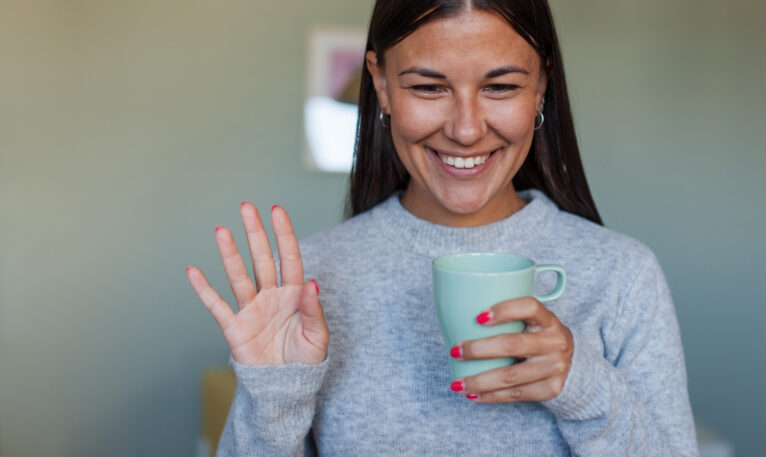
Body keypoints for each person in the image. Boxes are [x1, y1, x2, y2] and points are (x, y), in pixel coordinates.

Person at [185, 0, 699, 455]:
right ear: (382, 85)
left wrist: (585, 388)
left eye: (500, 86)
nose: (467, 129)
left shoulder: (622, 276)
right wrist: (273, 403)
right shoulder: (311, 286)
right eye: (430, 87)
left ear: (541, 84)